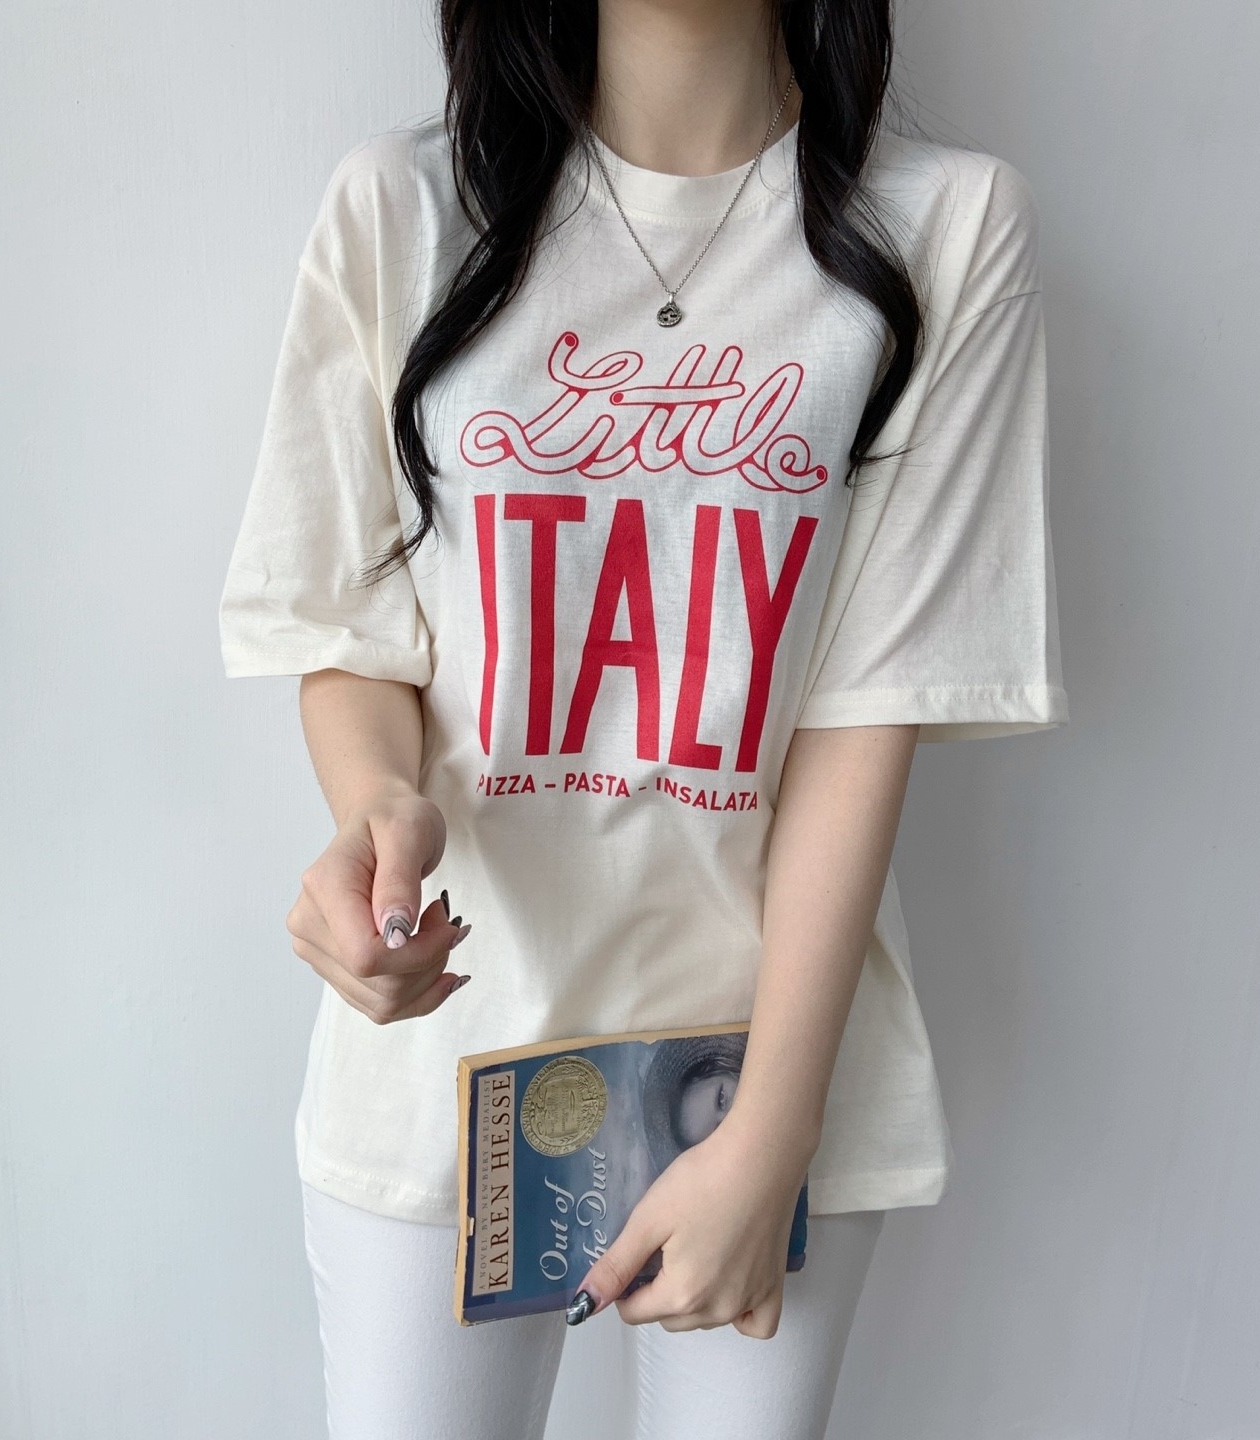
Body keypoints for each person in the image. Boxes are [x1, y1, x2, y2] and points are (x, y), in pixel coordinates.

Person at [218, 0, 1069, 1433]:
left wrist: (773, 1125)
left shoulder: (947, 230)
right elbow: (347, 622)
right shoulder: (403, 211)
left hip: (769, 1055)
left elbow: (868, 711)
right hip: (451, 1045)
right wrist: (378, 812)